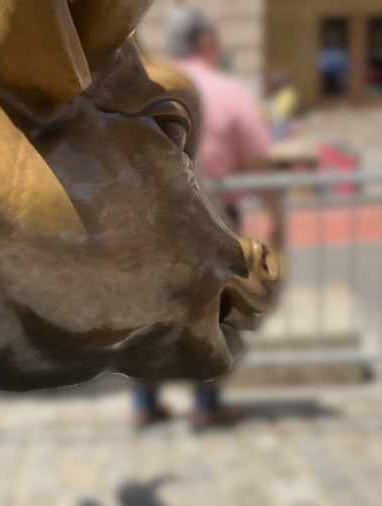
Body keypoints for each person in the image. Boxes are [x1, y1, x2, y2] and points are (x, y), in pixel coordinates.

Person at [133, 5, 278, 430]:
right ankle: (205, 403)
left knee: (155, 311)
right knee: (214, 311)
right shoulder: (228, 91)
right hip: (217, 214)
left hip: (159, 218)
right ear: (207, 41)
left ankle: (144, 401)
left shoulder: (153, 86)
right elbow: (258, 160)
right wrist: (273, 213)